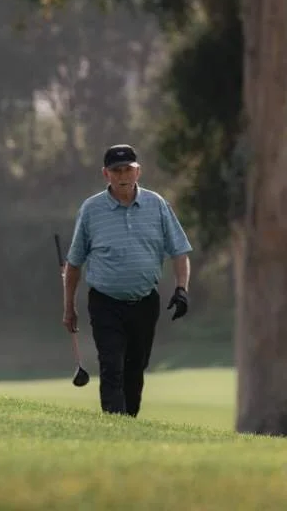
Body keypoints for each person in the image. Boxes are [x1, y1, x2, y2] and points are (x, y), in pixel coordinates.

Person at [61, 143, 192, 417]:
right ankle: (114, 424)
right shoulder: (91, 209)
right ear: (106, 174)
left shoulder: (156, 205)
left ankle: (128, 424)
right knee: (111, 365)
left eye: (128, 170)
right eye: (116, 170)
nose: (123, 175)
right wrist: (69, 307)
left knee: (136, 368)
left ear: (138, 172)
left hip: (145, 302)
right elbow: (74, 265)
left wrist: (182, 290)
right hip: (105, 302)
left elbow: (180, 252)